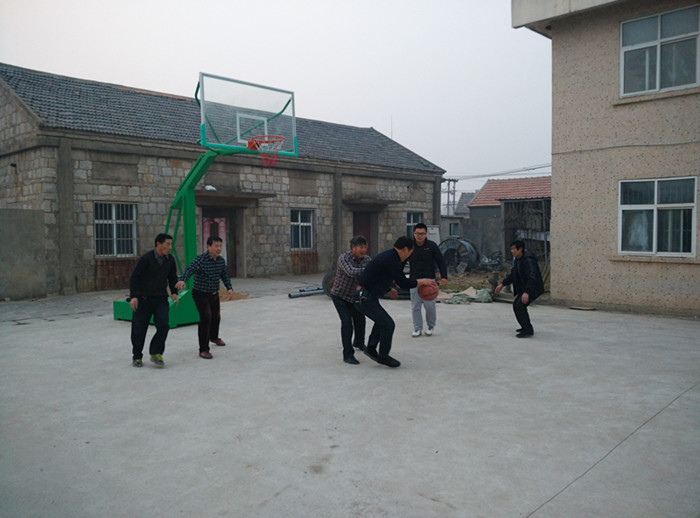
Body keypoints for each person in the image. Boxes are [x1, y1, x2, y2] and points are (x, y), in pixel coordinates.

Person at [356, 236, 437, 368]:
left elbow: (379, 277)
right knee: (388, 324)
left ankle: (371, 348)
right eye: (410, 253)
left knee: (382, 321)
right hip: (363, 298)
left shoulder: (390, 257)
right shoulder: (392, 259)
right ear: (405, 249)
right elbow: (403, 282)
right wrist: (421, 282)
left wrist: (388, 289)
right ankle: (383, 356)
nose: (409, 256)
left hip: (367, 295)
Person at [175, 236, 234, 359]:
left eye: (220, 246)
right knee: (206, 318)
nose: (219, 248)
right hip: (200, 294)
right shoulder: (201, 260)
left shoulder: (221, 261)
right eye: (216, 246)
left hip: (214, 293)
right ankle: (203, 349)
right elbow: (189, 269)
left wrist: (229, 288)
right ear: (208, 246)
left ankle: (214, 337)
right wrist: (183, 280)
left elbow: (224, 275)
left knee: (216, 317)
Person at [129, 233, 179, 368]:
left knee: (164, 325)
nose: (170, 247)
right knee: (139, 329)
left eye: (171, 244)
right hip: (143, 299)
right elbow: (135, 278)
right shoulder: (146, 259)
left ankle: (156, 352)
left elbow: (172, 278)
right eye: (167, 244)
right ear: (158, 244)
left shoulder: (170, 260)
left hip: (161, 299)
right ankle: (137, 356)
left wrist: (174, 293)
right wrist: (134, 296)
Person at [330, 236, 371, 365]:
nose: (363, 250)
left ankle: (359, 342)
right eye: (360, 247)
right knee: (347, 322)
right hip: (340, 296)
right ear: (353, 248)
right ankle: (348, 354)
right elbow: (351, 272)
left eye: (365, 247)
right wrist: (371, 270)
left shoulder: (367, 260)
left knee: (360, 319)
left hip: (354, 296)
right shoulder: (344, 258)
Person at [494, 240, 544, 338]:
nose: (512, 251)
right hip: (525, 288)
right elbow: (513, 275)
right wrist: (502, 284)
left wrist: (527, 292)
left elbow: (532, 277)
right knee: (517, 305)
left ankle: (528, 330)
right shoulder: (518, 260)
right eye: (511, 249)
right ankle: (525, 327)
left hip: (533, 288)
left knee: (519, 306)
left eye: (514, 249)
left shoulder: (528, 260)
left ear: (520, 249)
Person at [408, 223, 448, 337]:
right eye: (417, 234)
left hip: (429, 280)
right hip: (414, 281)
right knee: (415, 306)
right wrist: (398, 279)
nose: (419, 236)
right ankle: (417, 328)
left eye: (422, 234)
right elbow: (401, 261)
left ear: (426, 234)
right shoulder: (410, 247)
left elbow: (440, 261)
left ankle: (430, 326)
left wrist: (444, 276)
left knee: (430, 306)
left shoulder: (431, 246)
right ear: (414, 234)